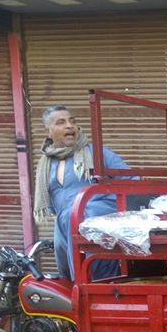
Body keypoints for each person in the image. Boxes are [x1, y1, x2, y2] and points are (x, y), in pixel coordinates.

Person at [33, 105, 130, 280]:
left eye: (73, 121)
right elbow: (54, 205)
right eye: (61, 122)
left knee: (97, 280)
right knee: (68, 279)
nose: (70, 126)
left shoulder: (96, 153)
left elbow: (130, 182)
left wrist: (101, 207)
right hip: (66, 232)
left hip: (96, 232)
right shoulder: (45, 164)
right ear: (47, 131)